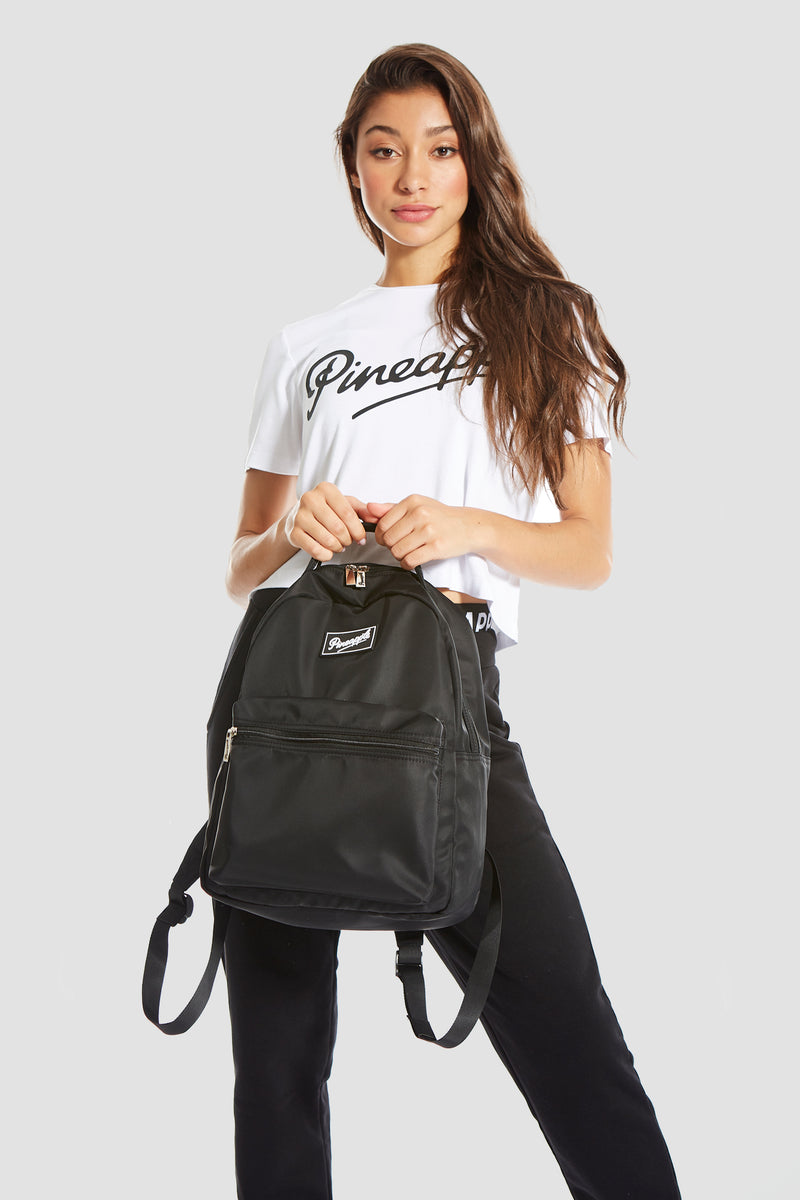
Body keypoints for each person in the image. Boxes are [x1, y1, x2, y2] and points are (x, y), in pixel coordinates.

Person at [209, 42, 682, 1200]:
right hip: (289, 695)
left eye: (438, 148)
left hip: (447, 692)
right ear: (352, 168)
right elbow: (239, 566)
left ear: (474, 162)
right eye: (384, 151)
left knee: (565, 1026)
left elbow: (588, 550)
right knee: (274, 1063)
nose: (411, 176)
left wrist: (467, 525)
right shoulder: (304, 345)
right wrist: (295, 527)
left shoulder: (544, 321)